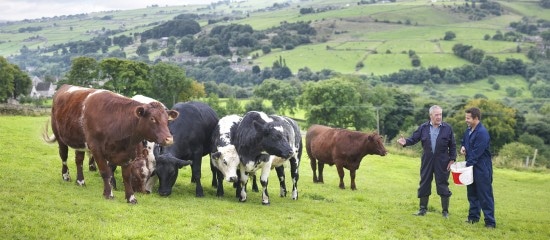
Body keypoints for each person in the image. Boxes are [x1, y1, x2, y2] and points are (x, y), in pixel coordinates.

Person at [398, 105, 456, 218]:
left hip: (443, 161)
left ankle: (445, 212)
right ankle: (422, 209)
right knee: (424, 182)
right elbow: (413, 139)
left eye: (440, 114)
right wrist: (405, 142)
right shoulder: (423, 127)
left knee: (442, 184)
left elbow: (452, 145)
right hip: (427, 160)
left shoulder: (447, 128)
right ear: (431, 116)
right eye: (436, 115)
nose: (439, 117)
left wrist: (452, 159)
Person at [460, 107, 496, 228]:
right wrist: (463, 146)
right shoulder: (469, 130)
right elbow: (464, 141)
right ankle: (473, 218)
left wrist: (465, 167)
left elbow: (476, 153)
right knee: (472, 194)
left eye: (468, 118)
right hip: (471, 167)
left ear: (476, 118)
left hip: (482, 168)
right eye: (466, 118)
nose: (466, 120)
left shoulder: (482, 133)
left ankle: (490, 222)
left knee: (485, 195)